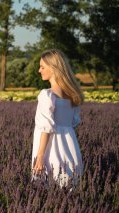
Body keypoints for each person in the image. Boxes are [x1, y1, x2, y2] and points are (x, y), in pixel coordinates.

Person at [31, 49, 84, 188]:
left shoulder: (47, 95)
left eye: (42, 67)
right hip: (70, 145)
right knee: (70, 187)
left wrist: (40, 157)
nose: (39, 70)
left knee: (48, 190)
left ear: (53, 68)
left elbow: (46, 129)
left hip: (51, 149)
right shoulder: (73, 95)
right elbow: (73, 123)